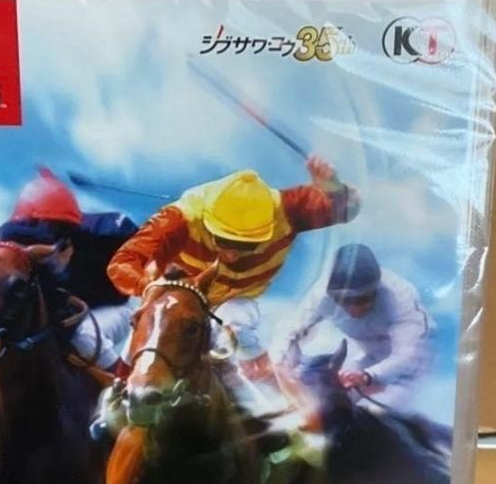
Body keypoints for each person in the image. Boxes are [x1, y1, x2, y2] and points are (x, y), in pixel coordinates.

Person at [106, 156, 360, 392]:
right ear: (207, 220)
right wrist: (150, 288)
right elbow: (122, 263)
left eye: (247, 245)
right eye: (223, 240)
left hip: (235, 300)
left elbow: (349, 207)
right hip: (178, 302)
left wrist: (334, 188)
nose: (231, 256)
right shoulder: (178, 219)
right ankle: (116, 396)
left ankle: (267, 390)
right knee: (144, 342)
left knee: (236, 322)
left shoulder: (288, 209)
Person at [0, 167, 137, 374]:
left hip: (114, 307)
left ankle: (128, 386)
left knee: (86, 337)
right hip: (65, 316)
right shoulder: (21, 255)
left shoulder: (108, 232)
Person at [290, 243, 432, 415]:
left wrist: (368, 376)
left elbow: (407, 356)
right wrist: (280, 361)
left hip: (410, 369)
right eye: (344, 300)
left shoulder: (400, 298)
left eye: (362, 299)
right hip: (369, 358)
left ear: (376, 290)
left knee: (373, 414)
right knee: (324, 402)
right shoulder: (321, 294)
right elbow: (290, 329)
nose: (354, 309)